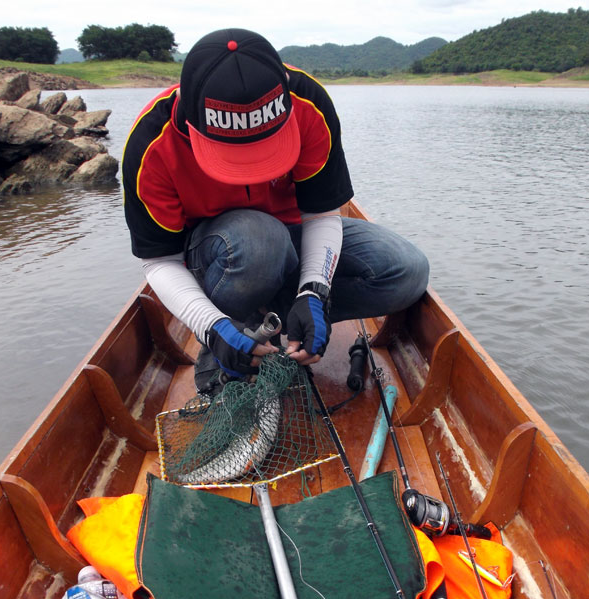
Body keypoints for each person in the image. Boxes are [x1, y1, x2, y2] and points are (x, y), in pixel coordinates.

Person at [122, 27, 428, 393]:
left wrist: (314, 292)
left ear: (284, 94)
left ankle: (276, 323)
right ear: (190, 114)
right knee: (259, 241)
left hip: (293, 237)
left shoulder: (309, 103)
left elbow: (322, 214)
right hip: (220, 258)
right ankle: (227, 343)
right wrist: (211, 326)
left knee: (405, 271)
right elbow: (160, 261)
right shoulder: (150, 144)